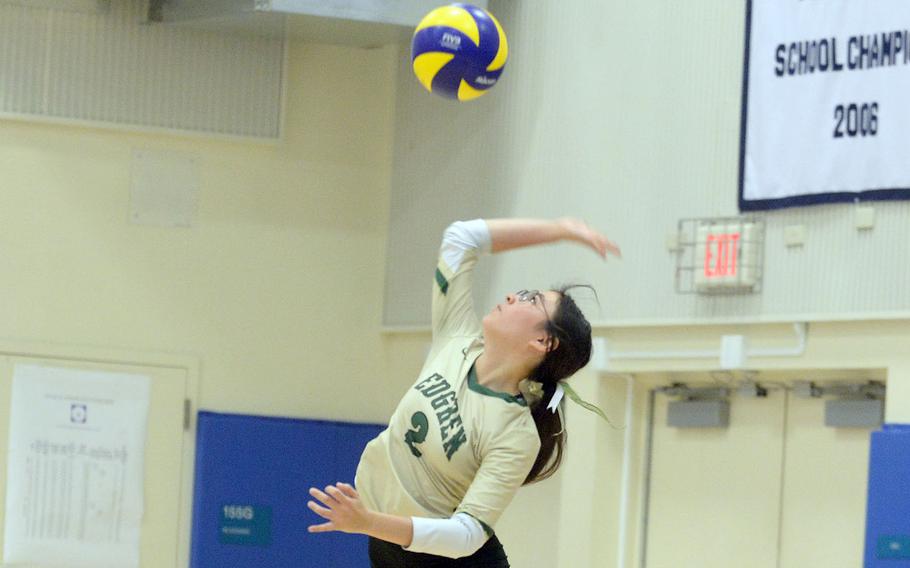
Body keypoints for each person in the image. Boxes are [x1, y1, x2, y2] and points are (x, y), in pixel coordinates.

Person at [307, 218, 620, 567]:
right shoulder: (456, 337)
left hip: (445, 560)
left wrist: (367, 522)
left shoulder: (515, 433)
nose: (513, 295)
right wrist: (561, 230)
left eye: (530, 300)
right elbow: (462, 237)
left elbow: (466, 536)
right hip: (387, 545)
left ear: (543, 342)